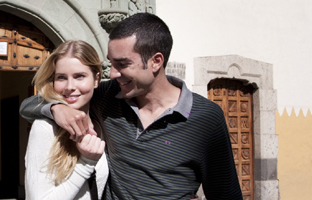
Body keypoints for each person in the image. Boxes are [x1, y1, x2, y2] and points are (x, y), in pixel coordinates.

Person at [20, 13, 242, 199]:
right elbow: (28, 105)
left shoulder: (206, 118)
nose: (113, 73)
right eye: (111, 63)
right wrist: (57, 109)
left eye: (122, 64)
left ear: (156, 61)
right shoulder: (108, 95)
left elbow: (225, 194)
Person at [24, 40, 109, 200]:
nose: (70, 86)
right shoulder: (44, 127)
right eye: (61, 77)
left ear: (96, 79)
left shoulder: (100, 123)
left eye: (79, 76)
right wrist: (86, 163)